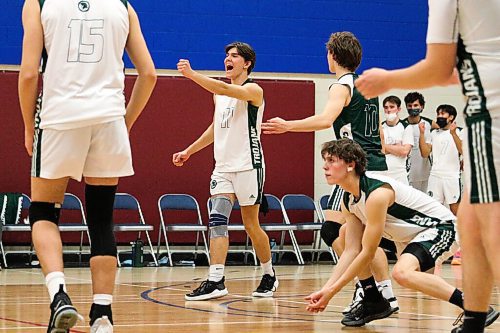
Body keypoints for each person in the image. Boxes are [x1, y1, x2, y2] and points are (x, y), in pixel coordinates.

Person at [356, 1, 500, 331]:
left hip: (491, 116)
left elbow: (437, 68)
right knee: (471, 222)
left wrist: (388, 79)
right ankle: (475, 319)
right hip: (483, 112)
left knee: (492, 229)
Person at [18, 0, 156, 332]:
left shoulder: (38, 3)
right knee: (100, 217)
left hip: (59, 117)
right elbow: (149, 74)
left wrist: (27, 126)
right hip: (108, 118)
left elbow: (27, 74)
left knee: (43, 212)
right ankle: (102, 315)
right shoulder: (124, 6)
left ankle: (60, 297)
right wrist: (125, 123)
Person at [261, 31, 398, 314]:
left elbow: (325, 119)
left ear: (333, 56)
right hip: (378, 166)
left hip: (358, 169)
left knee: (335, 231)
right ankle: (383, 292)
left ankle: (370, 288)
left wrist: (288, 125)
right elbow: (378, 132)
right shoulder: (367, 86)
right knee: (357, 236)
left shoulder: (342, 86)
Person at [305, 139, 499, 329]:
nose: (325, 167)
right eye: (324, 161)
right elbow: (352, 250)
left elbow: (368, 253)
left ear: (350, 165)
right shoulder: (348, 200)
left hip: (439, 228)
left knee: (402, 273)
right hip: (406, 236)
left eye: (331, 160)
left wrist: (333, 290)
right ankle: (373, 297)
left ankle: (475, 308)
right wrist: (326, 288)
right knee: (346, 231)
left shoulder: (377, 194)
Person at [173, 41, 278, 301]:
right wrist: (189, 150)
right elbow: (216, 128)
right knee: (217, 220)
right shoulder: (218, 95)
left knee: (251, 225)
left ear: (247, 63)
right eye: (226, 56)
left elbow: (222, 86)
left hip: (248, 166)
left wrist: (192, 74)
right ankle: (216, 279)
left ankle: (269, 274)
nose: (227, 60)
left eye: (234, 56)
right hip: (222, 168)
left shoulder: (253, 89)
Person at [419, 104, 463, 215]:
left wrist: (453, 134)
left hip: (451, 177)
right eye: (438, 114)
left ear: (451, 117)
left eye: (442, 114)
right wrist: (422, 134)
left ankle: (458, 231)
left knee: (455, 210)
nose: (439, 116)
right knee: (434, 209)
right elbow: (425, 153)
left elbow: (463, 151)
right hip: (435, 176)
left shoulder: (460, 132)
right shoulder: (433, 133)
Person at [402, 92, 433, 192]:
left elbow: (426, 153)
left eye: (415, 105)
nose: (412, 108)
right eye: (409, 105)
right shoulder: (402, 125)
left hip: (425, 173)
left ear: (422, 106)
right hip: (407, 174)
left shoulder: (427, 124)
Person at [381, 95, 413, 185]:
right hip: (383, 173)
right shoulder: (380, 128)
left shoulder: (406, 127)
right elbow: (377, 150)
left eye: (392, 107)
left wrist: (384, 146)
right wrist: (396, 147)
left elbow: (404, 151)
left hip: (400, 174)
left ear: (398, 109)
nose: (388, 110)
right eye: (386, 107)